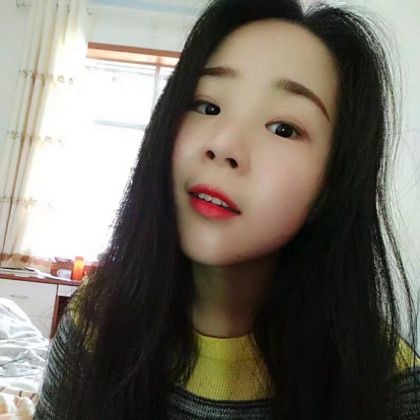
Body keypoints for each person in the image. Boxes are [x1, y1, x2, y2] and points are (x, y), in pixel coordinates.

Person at [34, 0, 420, 419]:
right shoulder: (97, 321)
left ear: (333, 185)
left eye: (283, 128)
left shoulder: (388, 385)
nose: (223, 145)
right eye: (208, 106)